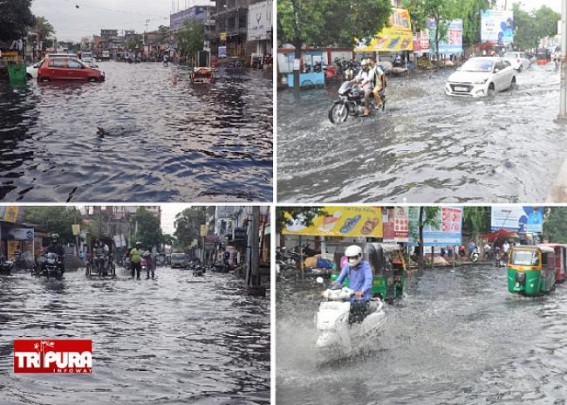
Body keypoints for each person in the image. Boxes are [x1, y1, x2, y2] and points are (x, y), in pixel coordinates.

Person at [331, 245, 373, 324]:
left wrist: (362, 291)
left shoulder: (365, 266)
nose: (352, 259)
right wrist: (332, 288)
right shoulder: (347, 266)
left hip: (362, 299)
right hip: (350, 298)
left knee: (353, 312)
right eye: (350, 257)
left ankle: (356, 331)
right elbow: (340, 279)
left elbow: (368, 280)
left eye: (354, 257)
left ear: (360, 256)